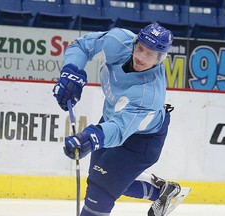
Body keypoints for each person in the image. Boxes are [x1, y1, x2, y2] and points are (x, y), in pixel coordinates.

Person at [53, 23, 181, 216]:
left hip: (141, 141)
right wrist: (71, 72)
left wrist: (91, 137)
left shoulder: (150, 93)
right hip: (111, 121)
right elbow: (81, 46)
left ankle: (161, 191)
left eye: (149, 54)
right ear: (135, 42)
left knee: (100, 191)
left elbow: (120, 130)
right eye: (140, 48)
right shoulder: (118, 40)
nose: (140, 57)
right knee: (101, 176)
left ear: (159, 59)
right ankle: (163, 192)